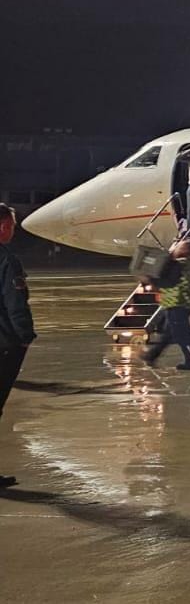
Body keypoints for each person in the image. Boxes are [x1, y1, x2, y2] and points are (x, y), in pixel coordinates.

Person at [0, 204, 37, 488]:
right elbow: (15, 303)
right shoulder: (7, 260)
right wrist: (25, 335)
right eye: (11, 225)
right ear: (3, 227)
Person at [142, 240, 190, 370]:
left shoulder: (178, 265)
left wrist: (151, 280)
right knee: (169, 333)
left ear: (183, 251)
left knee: (182, 335)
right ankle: (151, 355)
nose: (174, 249)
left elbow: (168, 283)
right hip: (183, 303)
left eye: (178, 247)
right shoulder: (189, 265)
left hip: (177, 303)